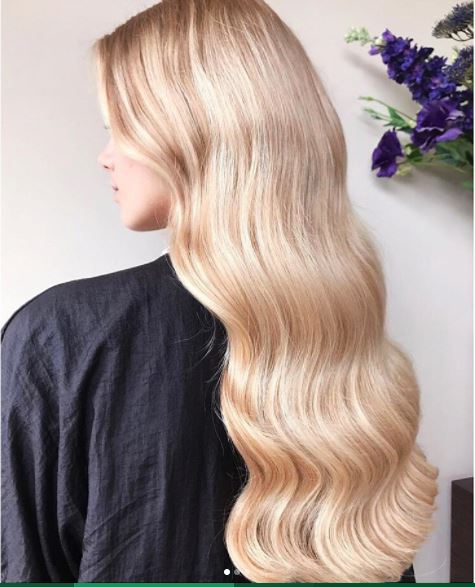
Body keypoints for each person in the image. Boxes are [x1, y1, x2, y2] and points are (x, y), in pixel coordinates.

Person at [1, 0, 438, 582]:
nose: (106, 158)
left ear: (193, 131)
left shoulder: (62, 337)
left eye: (120, 129)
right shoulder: (347, 327)